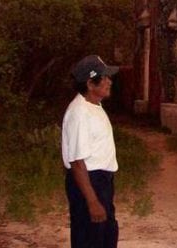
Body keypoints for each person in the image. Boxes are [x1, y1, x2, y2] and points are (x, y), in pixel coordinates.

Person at [62, 55, 120, 248]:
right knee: (90, 238)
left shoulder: (93, 106)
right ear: (90, 83)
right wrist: (92, 201)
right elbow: (77, 162)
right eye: (104, 78)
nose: (109, 81)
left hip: (101, 181)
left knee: (106, 235)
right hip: (89, 181)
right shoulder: (79, 113)